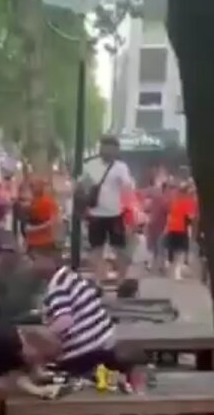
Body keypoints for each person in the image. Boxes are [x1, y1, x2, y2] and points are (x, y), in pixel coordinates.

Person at [28, 246, 119, 375]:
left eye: (34, 259)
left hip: (84, 352)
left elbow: (65, 320)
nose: (31, 265)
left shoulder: (57, 287)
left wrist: (45, 335)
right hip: (103, 341)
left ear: (49, 260)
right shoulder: (70, 276)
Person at [78, 135, 136, 282]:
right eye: (105, 146)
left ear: (116, 150)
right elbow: (80, 187)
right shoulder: (90, 165)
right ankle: (100, 278)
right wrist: (82, 205)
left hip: (115, 213)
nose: (108, 150)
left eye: (112, 147)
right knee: (95, 250)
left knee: (120, 250)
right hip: (95, 214)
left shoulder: (121, 167)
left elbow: (128, 188)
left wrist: (131, 213)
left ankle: (121, 279)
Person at [0, 243, 43, 323]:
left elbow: (38, 295)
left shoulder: (30, 271)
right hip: (4, 320)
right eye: (3, 252)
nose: (6, 256)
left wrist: (38, 312)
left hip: (27, 317)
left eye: (10, 252)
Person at [165, 180, 197, 281]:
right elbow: (191, 216)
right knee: (182, 251)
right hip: (181, 228)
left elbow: (170, 213)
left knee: (174, 251)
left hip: (172, 227)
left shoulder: (175, 200)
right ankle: (176, 273)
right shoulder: (188, 201)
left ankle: (172, 271)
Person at [23, 178, 59, 253]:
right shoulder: (31, 203)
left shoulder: (48, 202)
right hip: (34, 243)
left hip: (44, 243)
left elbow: (53, 221)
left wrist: (34, 228)